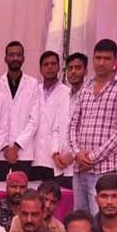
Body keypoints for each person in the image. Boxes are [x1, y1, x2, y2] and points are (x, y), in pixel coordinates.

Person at [67, 39, 117, 215]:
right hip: (79, 169)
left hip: (105, 170)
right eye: (98, 58)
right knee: (80, 221)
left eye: (107, 58)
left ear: (115, 60)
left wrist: (92, 157)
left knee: (101, 220)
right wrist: (77, 154)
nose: (101, 63)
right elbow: (73, 124)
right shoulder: (86, 87)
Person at [0, 41, 42, 177]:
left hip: (23, 152)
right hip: (1, 152)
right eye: (11, 55)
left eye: (18, 55)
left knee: (22, 187)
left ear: (23, 58)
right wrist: (5, 147)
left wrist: (16, 146)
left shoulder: (33, 84)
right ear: (5, 58)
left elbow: (34, 120)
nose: (15, 58)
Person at [31, 50, 72, 183]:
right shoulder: (34, 90)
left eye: (53, 64)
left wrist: (57, 152)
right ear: (40, 69)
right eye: (46, 64)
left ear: (59, 67)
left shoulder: (67, 92)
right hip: (34, 157)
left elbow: (63, 126)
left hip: (55, 158)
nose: (49, 67)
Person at [52, 53, 88, 189]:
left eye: (78, 68)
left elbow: (87, 133)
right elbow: (56, 128)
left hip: (77, 166)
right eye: (70, 68)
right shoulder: (64, 97)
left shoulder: (90, 97)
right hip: (59, 166)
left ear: (85, 71)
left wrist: (72, 155)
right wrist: (55, 153)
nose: (73, 72)